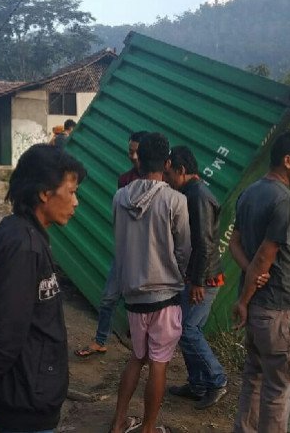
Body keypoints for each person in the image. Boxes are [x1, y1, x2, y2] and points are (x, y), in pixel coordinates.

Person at [0, 144, 87, 433]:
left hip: (31, 392)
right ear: (44, 193)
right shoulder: (23, 245)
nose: (76, 202)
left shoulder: (25, 234)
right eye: (71, 191)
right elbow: (0, 331)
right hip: (26, 401)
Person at [230, 131, 290, 433]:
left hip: (256, 310)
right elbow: (266, 255)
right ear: (288, 161)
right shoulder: (287, 201)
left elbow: (234, 244)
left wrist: (247, 289)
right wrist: (246, 291)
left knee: (252, 379)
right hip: (279, 311)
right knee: (278, 392)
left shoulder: (249, 193)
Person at [108, 132, 191, 433]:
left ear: (138, 160)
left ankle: (118, 422)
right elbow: (184, 249)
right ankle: (149, 428)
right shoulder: (176, 200)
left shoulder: (120, 197)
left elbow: (118, 238)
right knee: (159, 363)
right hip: (165, 296)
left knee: (136, 358)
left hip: (132, 295)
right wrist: (178, 273)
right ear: (167, 163)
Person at [162, 145, 228, 410]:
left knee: (188, 330)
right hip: (196, 275)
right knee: (185, 329)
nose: (166, 180)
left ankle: (217, 380)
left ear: (181, 170)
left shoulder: (197, 195)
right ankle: (197, 383)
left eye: (169, 175)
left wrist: (198, 281)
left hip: (205, 278)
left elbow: (204, 242)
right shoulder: (189, 192)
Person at [75, 130, 149, 358]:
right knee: (108, 297)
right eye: (130, 152)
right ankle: (101, 340)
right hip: (125, 250)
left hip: (148, 253)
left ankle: (145, 349)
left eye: (138, 152)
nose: (134, 157)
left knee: (144, 303)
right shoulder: (124, 179)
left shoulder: (158, 181)